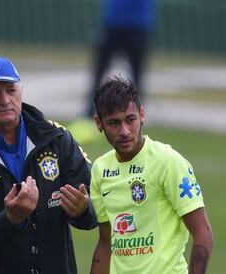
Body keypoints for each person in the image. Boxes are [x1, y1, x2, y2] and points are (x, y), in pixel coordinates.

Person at [0, 56, 97, 274]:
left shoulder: (57, 139)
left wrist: (83, 211)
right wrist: (11, 218)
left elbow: (97, 204)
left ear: (21, 90)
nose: (5, 100)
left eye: (10, 90)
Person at [89, 76, 213, 273]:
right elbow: (106, 244)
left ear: (142, 115)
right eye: (114, 123)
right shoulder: (100, 169)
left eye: (130, 120)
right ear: (99, 123)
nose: (125, 131)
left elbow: (203, 233)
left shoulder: (167, 161)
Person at [86, 0, 156, 117]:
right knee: (99, 72)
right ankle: (89, 111)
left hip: (137, 24)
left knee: (137, 75)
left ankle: (136, 114)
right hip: (112, 22)